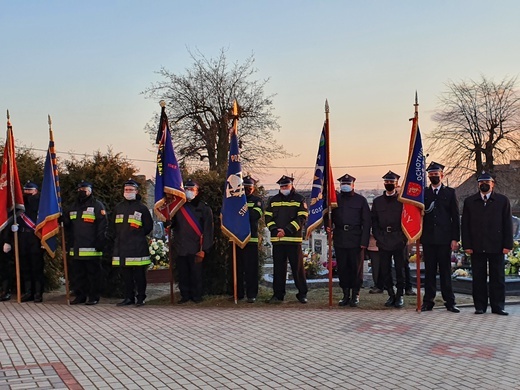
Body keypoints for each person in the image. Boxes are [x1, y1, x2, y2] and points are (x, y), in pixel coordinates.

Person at [462, 171, 513, 315]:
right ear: (478, 185)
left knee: (498, 277)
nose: (484, 185)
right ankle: (480, 306)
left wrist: (507, 245)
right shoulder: (470, 201)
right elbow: (465, 224)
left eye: (487, 182)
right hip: (477, 246)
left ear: (493, 184)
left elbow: (507, 224)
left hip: (497, 246)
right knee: (478, 278)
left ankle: (498, 306)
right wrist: (467, 245)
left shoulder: (503, 201)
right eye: (481, 182)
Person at [421, 162, 460, 313]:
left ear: (442, 175)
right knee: (429, 272)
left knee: (445, 272)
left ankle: (450, 302)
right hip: (429, 239)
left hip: (444, 239)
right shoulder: (424, 193)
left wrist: (455, 238)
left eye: (436, 174)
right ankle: (428, 302)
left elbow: (455, 218)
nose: (433, 176)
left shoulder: (450, 193)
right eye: (431, 174)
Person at [265, 175, 309, 304]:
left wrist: (286, 230)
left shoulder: (299, 199)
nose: (284, 188)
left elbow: (302, 218)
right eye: (282, 186)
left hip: (293, 240)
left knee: (298, 268)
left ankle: (302, 294)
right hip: (278, 240)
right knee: (278, 269)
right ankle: (278, 295)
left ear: (291, 186)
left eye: (286, 186)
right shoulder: (272, 200)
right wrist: (275, 230)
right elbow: (268, 217)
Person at [329, 174, 371, 307]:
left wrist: (364, 242)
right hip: (340, 237)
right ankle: (345, 294)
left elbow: (367, 222)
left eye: (348, 183)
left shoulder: (361, 200)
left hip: (356, 238)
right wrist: (327, 226)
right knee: (342, 268)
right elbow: (327, 216)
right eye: (343, 183)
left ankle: (355, 294)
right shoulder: (334, 200)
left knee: (355, 268)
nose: (345, 185)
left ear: (353, 185)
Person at [63, 181, 108, 305]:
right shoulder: (73, 207)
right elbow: (68, 226)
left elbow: (102, 225)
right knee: (78, 275)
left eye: (85, 188)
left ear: (90, 190)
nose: (82, 191)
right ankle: (80, 296)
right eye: (80, 188)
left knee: (93, 275)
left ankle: (93, 297)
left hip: (92, 248)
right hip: (76, 248)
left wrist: (100, 242)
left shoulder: (97, 206)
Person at [111, 179, 154, 307]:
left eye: (131, 190)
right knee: (126, 276)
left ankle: (141, 297)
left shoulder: (142, 208)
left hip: (137, 247)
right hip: (122, 247)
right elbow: (113, 226)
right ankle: (128, 297)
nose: (128, 192)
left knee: (139, 275)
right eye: (126, 190)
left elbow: (148, 226)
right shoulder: (118, 208)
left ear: (136, 191)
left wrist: (137, 236)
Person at [171, 179, 214, 304]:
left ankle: (197, 296)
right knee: (183, 273)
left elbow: (208, 230)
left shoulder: (204, 208)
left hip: (197, 246)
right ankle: (185, 295)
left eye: (191, 189)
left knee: (196, 274)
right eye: (187, 189)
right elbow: (173, 224)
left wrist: (205, 249)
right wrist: (168, 223)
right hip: (181, 245)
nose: (189, 192)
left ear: (197, 191)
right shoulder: (179, 207)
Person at [371, 171, 407, 308]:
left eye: (392, 182)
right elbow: (374, 221)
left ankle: (400, 295)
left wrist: (403, 238)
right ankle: (391, 294)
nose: (389, 184)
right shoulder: (377, 202)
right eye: (387, 182)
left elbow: (407, 220)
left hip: (398, 239)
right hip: (383, 239)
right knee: (385, 270)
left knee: (399, 269)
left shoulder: (402, 202)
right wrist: (378, 237)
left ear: (396, 183)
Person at [235, 175, 264, 303]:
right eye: (245, 187)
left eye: (249, 188)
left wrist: (241, 212)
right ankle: (238, 293)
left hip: (251, 239)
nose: (247, 190)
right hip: (236, 239)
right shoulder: (234, 200)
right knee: (237, 269)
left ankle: (251, 294)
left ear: (253, 188)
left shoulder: (257, 200)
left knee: (251, 270)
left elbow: (255, 215)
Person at [19, 181, 45, 303]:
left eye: (30, 190)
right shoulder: (20, 203)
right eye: (26, 190)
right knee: (25, 266)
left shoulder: (41, 203)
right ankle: (28, 292)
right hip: (23, 236)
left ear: (36, 191)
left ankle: (38, 293)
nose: (28, 192)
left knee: (37, 266)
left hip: (36, 237)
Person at [0, 226, 13, 301]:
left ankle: (6, 291)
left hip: (2, 241)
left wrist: (7, 241)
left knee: (3, 267)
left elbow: (6, 224)